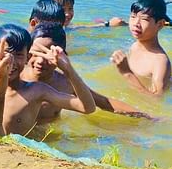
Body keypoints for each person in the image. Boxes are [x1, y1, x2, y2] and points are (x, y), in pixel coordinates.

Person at [22, 22, 151, 122]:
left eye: (46, 54)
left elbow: (103, 102)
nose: (39, 60)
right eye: (36, 53)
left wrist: (147, 117)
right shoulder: (18, 76)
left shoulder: (65, 83)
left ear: (62, 55)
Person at [0, 24, 95, 135]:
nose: (11, 62)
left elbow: (87, 107)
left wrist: (68, 70)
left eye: (18, 55)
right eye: (5, 55)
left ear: (27, 58)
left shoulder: (36, 91)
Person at [111, 0, 171, 95]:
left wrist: (127, 73)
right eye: (133, 17)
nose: (136, 24)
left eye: (144, 19)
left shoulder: (160, 61)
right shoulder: (134, 46)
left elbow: (156, 101)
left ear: (160, 24)